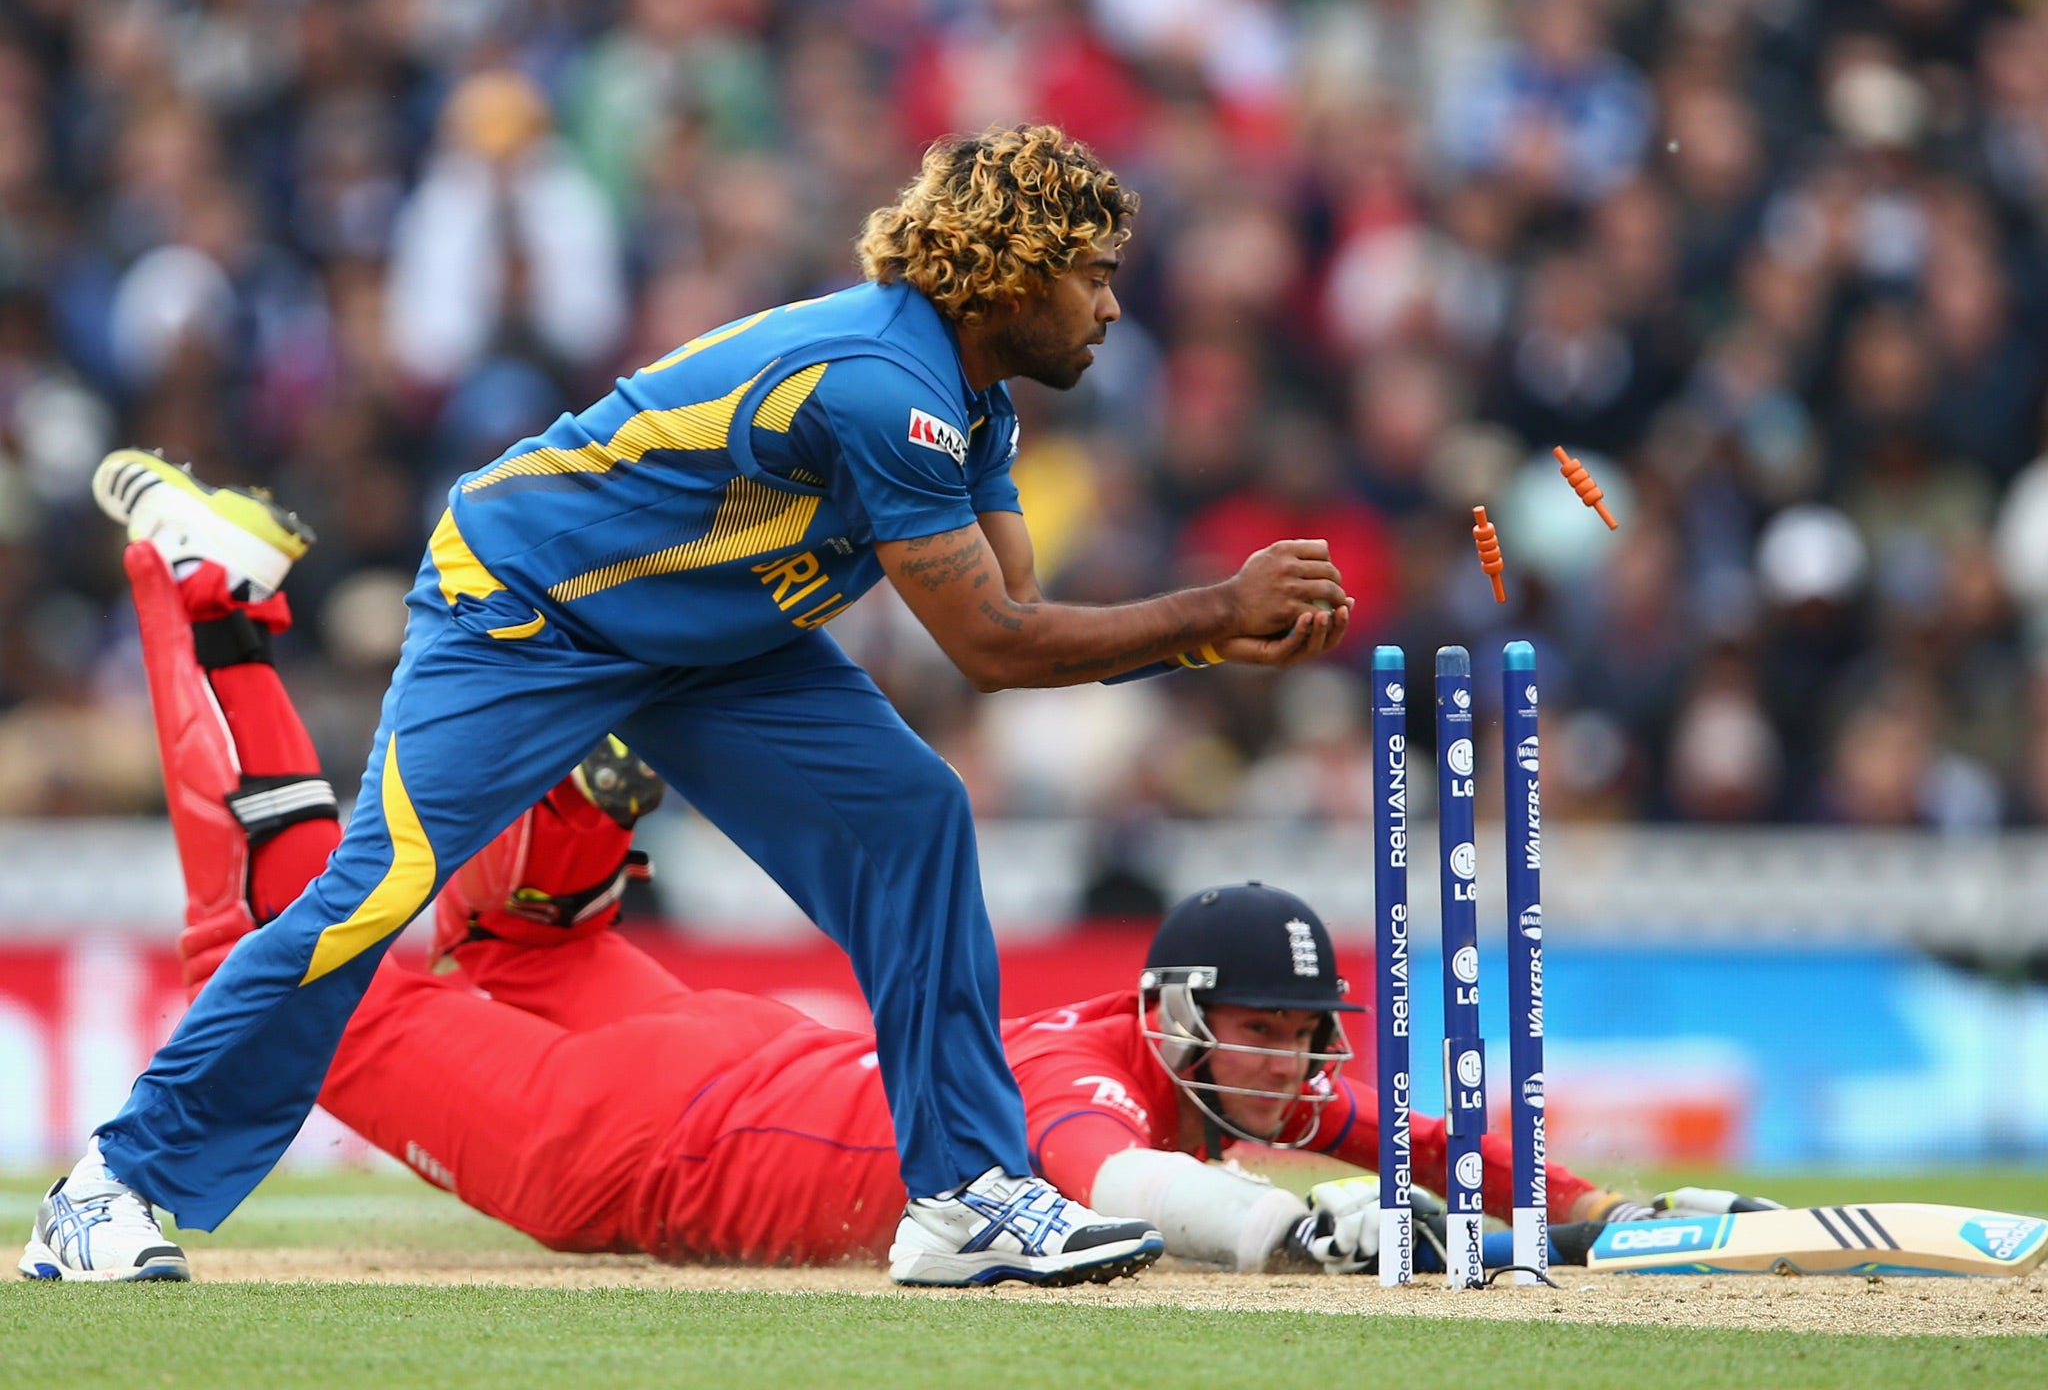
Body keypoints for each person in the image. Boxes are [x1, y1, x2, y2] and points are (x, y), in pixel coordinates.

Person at [41, 124, 1355, 1286]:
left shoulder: (976, 407)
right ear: (1012, 275)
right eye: (1094, 272)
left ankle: (961, 1197)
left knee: (913, 816)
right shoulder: (884, 389)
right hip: (527, 610)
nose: (1114, 306)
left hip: (713, 639)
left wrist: (1212, 640)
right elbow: (996, 647)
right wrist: (1211, 613)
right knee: (374, 900)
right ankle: (108, 1190)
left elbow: (1023, 618)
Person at [26, 536, 1772, 1285]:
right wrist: (1292, 1233)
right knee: (278, 972)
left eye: (1294, 1039)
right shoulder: (1104, 1092)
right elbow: (1122, 1184)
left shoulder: (1198, 1058)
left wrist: (1585, 1206)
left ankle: (607, 773)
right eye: (1259, 1032)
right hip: (637, 1151)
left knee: (515, 940)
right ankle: (211, 614)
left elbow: (1394, 1124)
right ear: (1177, 1016)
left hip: (737, 1068)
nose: (1286, 1067)